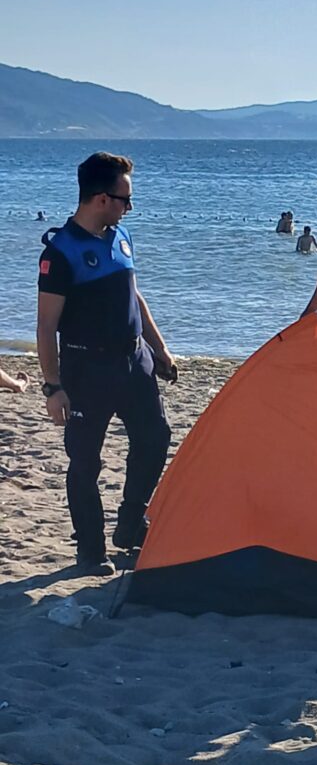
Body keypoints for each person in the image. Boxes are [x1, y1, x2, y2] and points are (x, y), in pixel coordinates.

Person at [37, 152, 174, 576]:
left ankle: (131, 521)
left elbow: (134, 296)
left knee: (156, 438)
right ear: (99, 198)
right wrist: (52, 386)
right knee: (85, 462)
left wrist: (160, 348)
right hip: (86, 369)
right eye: (123, 198)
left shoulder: (122, 235)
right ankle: (90, 551)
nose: (128, 206)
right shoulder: (61, 252)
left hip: (135, 361)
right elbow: (45, 327)